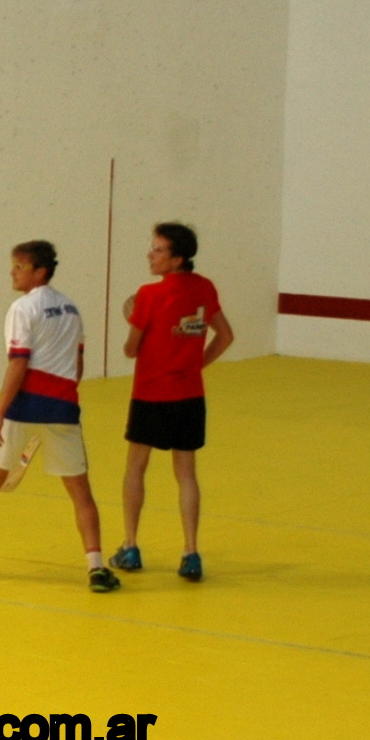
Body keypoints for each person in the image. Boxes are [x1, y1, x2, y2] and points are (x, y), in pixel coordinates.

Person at [0, 241, 118, 592]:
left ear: (39, 271)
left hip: (23, 408)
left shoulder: (22, 308)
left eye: (19, 267)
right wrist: (61, 399)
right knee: (81, 494)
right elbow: (78, 362)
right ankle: (96, 568)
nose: (12, 272)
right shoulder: (72, 309)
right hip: (63, 410)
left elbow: (18, 362)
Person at [113, 221, 233, 580]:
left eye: (159, 250)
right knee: (186, 474)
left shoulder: (148, 296)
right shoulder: (204, 288)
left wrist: (131, 319)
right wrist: (196, 363)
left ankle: (131, 546)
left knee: (136, 467)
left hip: (151, 394)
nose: (151, 255)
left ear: (177, 258)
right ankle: (191, 553)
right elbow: (225, 335)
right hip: (189, 396)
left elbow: (131, 350)